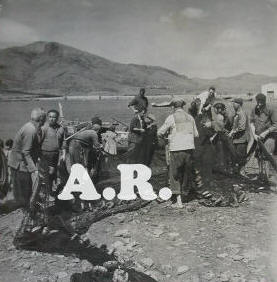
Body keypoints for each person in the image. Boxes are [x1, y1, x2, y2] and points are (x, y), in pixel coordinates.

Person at [158, 98, 199, 208]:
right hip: (189, 149)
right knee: (186, 173)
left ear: (173, 107)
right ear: (183, 106)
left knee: (175, 174)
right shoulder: (190, 117)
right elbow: (196, 135)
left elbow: (160, 132)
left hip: (176, 149)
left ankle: (179, 201)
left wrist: (168, 137)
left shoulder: (171, 118)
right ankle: (185, 195)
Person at [8, 108, 46, 209]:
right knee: (24, 189)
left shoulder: (37, 129)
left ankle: (29, 206)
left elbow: (37, 148)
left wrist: (42, 161)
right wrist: (34, 169)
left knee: (28, 187)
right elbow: (26, 152)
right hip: (19, 164)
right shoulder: (30, 130)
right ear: (41, 118)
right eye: (45, 117)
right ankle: (26, 210)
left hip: (25, 163)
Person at [250, 93, 277, 185]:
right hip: (258, 137)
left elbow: (275, 124)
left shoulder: (271, 109)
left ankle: (267, 178)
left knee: (267, 156)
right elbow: (252, 122)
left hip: (269, 136)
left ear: (264, 102)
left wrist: (265, 133)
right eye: (258, 101)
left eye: (261, 102)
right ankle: (261, 175)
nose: (259, 104)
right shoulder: (254, 109)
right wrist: (254, 134)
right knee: (258, 155)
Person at [40, 109, 66, 194]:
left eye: (54, 117)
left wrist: (64, 154)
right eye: (50, 117)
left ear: (57, 118)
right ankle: (43, 191)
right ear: (47, 117)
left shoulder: (61, 129)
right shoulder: (43, 128)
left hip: (55, 154)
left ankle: (49, 191)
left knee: (52, 173)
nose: (52, 119)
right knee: (46, 173)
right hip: (44, 154)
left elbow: (63, 142)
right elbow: (38, 142)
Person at [228, 98, 248, 174]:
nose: (233, 104)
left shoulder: (241, 113)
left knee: (241, 157)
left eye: (234, 103)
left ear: (239, 104)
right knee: (236, 156)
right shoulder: (237, 113)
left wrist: (232, 132)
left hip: (241, 140)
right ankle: (237, 172)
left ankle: (242, 172)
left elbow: (242, 127)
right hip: (236, 139)